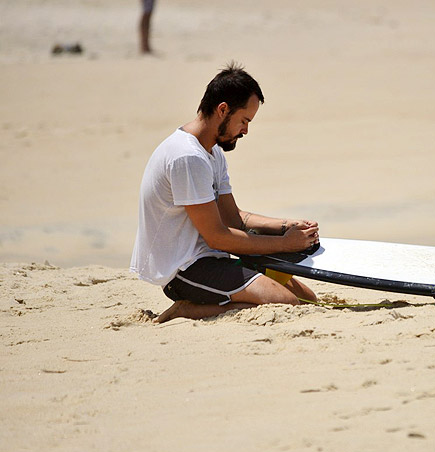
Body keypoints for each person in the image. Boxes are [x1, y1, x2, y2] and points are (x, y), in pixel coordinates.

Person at [130, 63, 320, 323]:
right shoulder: (188, 157)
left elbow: (234, 218)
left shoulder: (212, 151)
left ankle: (216, 300)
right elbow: (218, 236)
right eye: (244, 121)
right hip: (184, 270)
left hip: (212, 257)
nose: (245, 131)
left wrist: (285, 225)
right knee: (287, 303)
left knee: (309, 300)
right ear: (223, 110)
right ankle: (187, 309)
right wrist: (284, 244)